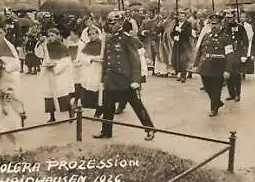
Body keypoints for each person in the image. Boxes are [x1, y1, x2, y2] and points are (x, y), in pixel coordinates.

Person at [92, 11, 155, 141]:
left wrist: (136, 80)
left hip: (126, 81)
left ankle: (150, 129)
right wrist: (103, 79)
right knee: (107, 107)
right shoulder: (108, 39)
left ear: (120, 23)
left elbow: (135, 61)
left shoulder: (127, 39)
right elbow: (106, 61)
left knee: (137, 106)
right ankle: (106, 131)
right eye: (109, 23)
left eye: (113, 23)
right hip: (111, 80)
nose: (111, 25)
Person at [193, 13, 235, 117]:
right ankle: (217, 102)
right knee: (207, 87)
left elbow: (230, 55)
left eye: (216, 24)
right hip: (205, 66)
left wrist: (227, 70)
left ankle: (213, 109)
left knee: (216, 88)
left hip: (218, 67)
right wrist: (196, 63)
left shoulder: (225, 38)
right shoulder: (207, 36)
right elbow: (201, 50)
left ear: (220, 25)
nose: (214, 26)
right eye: (212, 24)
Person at [35, 28, 75, 122]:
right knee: (49, 94)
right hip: (48, 71)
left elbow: (66, 62)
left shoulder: (62, 47)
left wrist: (56, 68)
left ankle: (70, 111)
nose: (50, 38)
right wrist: (40, 44)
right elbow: (39, 54)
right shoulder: (46, 45)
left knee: (62, 94)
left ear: (57, 36)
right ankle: (52, 115)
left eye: (52, 35)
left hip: (59, 74)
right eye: (49, 36)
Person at [0, 58, 23, 153]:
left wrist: (5, 94)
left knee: (10, 129)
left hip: (8, 107)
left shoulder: (8, 78)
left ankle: (17, 146)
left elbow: (12, 92)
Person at [77, 25, 105, 118]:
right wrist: (92, 59)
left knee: (99, 90)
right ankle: (91, 106)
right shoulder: (87, 45)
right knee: (89, 91)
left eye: (93, 34)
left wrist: (102, 59)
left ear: (98, 34)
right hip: (89, 70)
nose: (92, 36)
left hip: (99, 70)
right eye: (90, 34)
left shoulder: (103, 45)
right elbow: (82, 57)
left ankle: (99, 110)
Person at [222, 10, 248, 101]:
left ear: (234, 17)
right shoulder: (224, 28)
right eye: (227, 17)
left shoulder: (240, 27)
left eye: (230, 17)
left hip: (237, 53)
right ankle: (231, 93)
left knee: (236, 75)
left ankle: (237, 94)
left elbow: (245, 41)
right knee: (228, 74)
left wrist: (244, 54)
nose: (229, 19)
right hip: (227, 54)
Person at [170, 9, 193, 83]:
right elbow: (172, 33)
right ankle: (178, 74)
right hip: (177, 45)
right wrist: (174, 37)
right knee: (176, 60)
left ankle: (183, 76)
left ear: (185, 17)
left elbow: (188, 33)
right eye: (180, 16)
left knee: (183, 60)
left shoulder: (188, 24)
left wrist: (180, 31)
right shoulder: (177, 23)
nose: (181, 17)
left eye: (182, 16)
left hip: (184, 45)